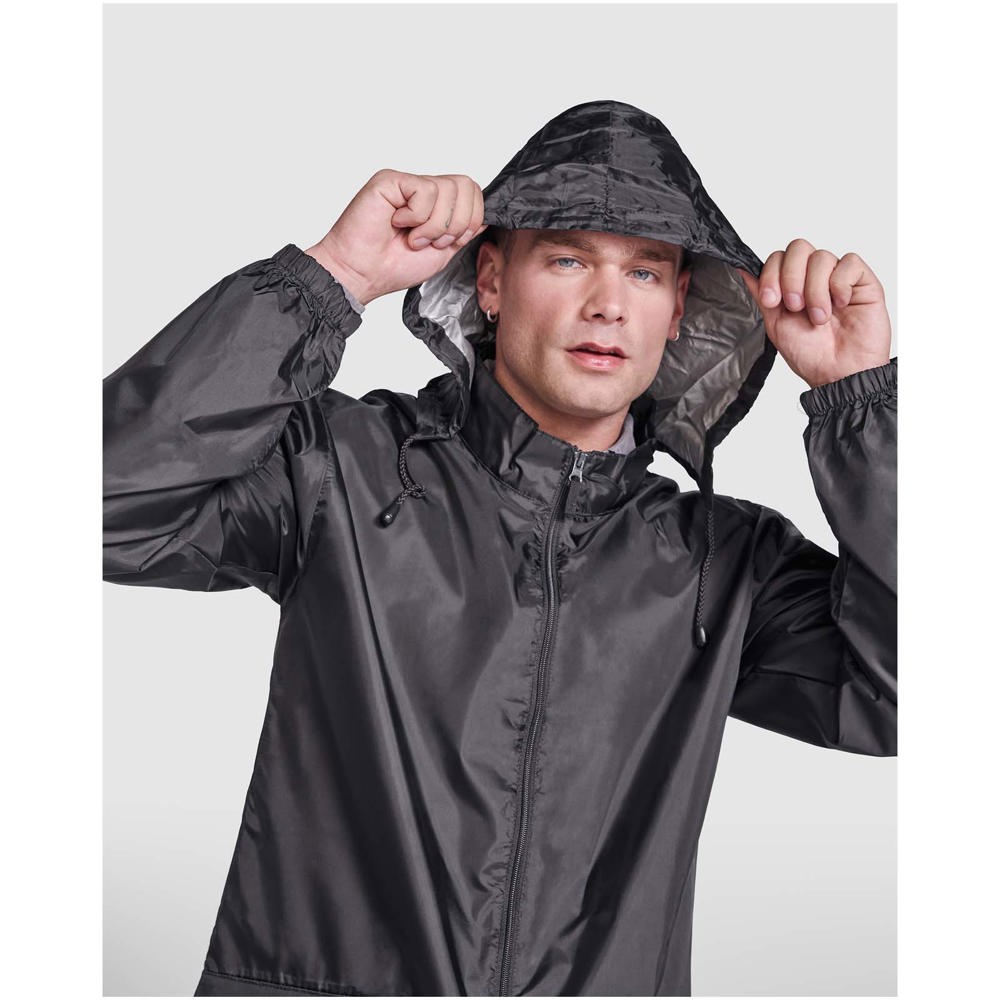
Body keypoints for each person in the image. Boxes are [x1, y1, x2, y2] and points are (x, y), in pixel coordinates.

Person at [103, 100, 896, 997]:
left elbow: (907, 696)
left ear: (678, 309)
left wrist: (861, 403)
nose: (608, 304)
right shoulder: (342, 471)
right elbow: (104, 501)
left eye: (644, 271)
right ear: (489, 281)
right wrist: (334, 277)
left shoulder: (723, 563)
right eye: (567, 259)